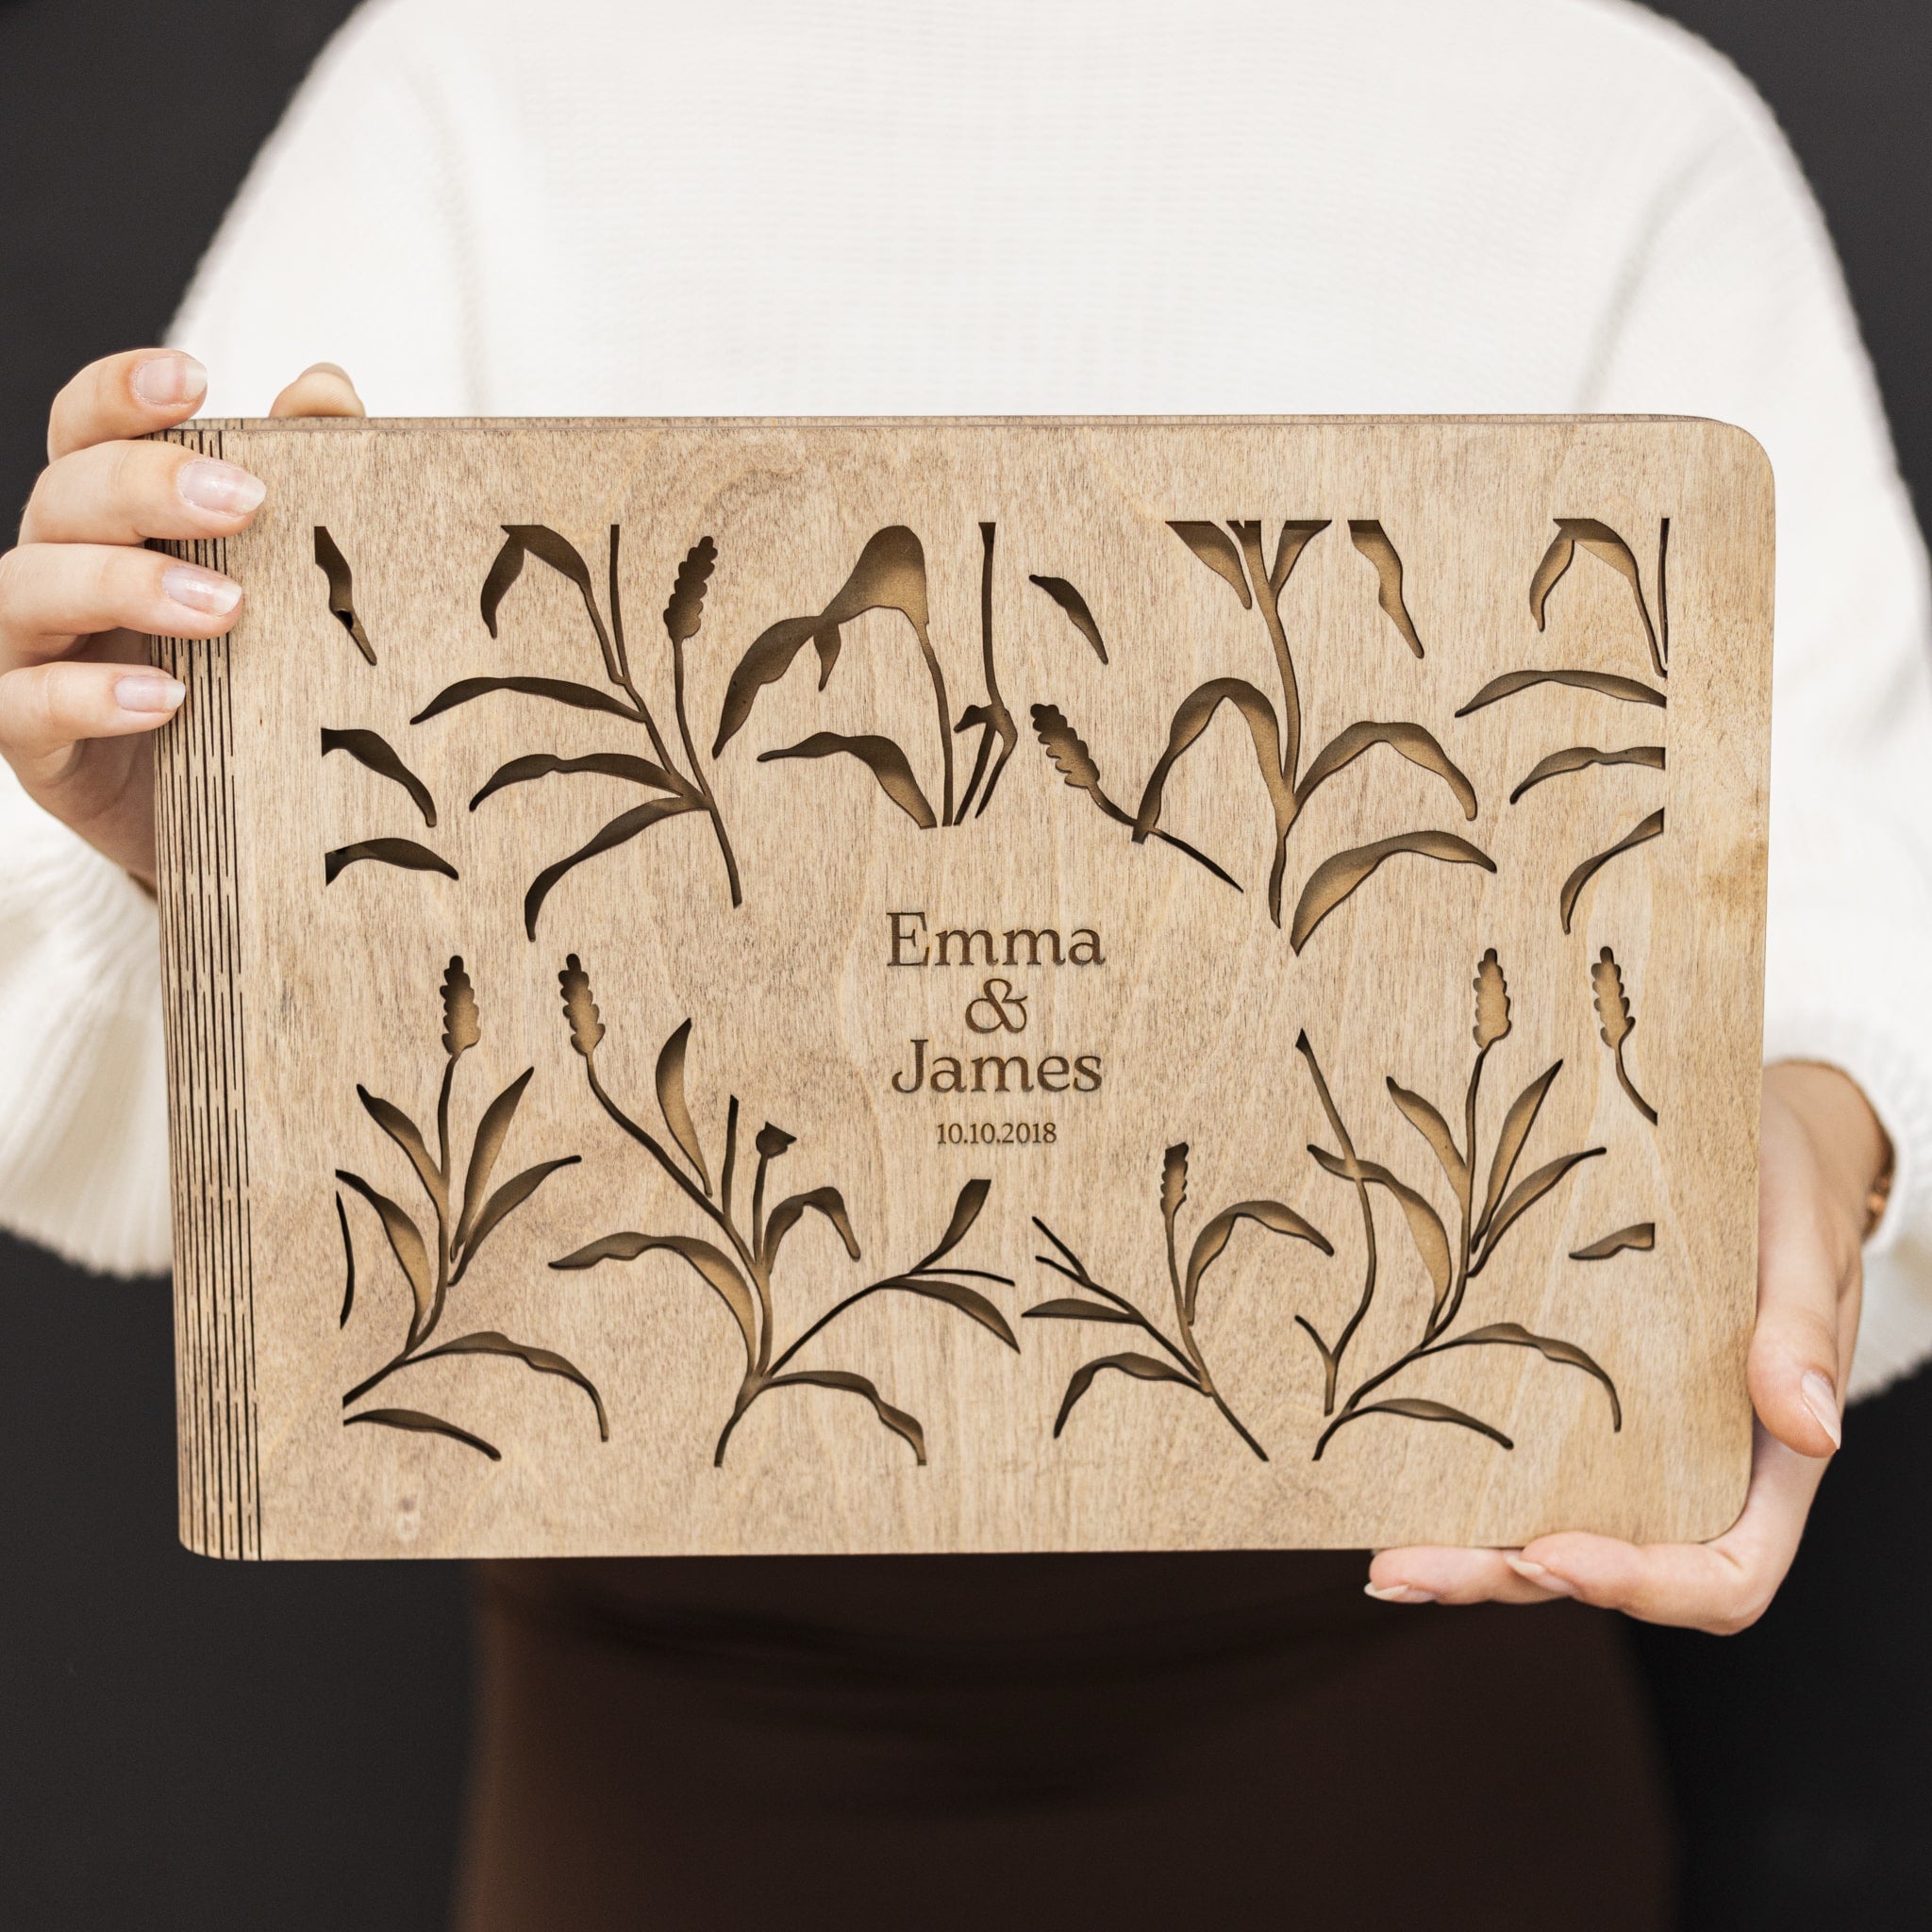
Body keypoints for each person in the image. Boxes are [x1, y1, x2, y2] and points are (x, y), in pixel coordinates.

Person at [2, 2, 1926, 1924]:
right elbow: (242, 895)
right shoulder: (470, 82)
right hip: (671, 1793)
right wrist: (206, 860)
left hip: (1416, 1747)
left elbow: (1843, 871)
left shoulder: (1606, 124)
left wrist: (1807, 1139)